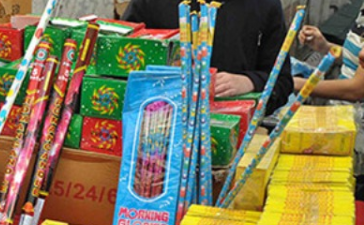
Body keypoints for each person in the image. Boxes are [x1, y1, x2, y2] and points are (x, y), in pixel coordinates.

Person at [123, 0, 293, 113]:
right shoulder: (149, 3)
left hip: (232, 132)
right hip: (157, 125)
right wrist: (165, 68)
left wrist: (250, 82)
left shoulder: (264, 5)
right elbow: (117, 68)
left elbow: (283, 82)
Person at [295, 13, 364, 199]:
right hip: (341, 116)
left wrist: (296, 84)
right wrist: (324, 47)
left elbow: (356, 90)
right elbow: (355, 59)